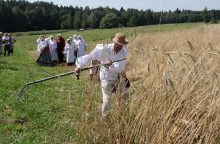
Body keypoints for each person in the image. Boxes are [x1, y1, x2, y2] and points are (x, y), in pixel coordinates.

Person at [74, 33, 129, 117]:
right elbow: (90, 57)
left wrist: (111, 65)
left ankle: (123, 116)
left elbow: (119, 68)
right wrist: (79, 66)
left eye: (121, 45)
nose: (119, 46)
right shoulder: (103, 49)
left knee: (124, 96)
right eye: (117, 44)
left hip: (119, 76)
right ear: (114, 42)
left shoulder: (123, 52)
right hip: (105, 76)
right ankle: (105, 117)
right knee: (107, 99)